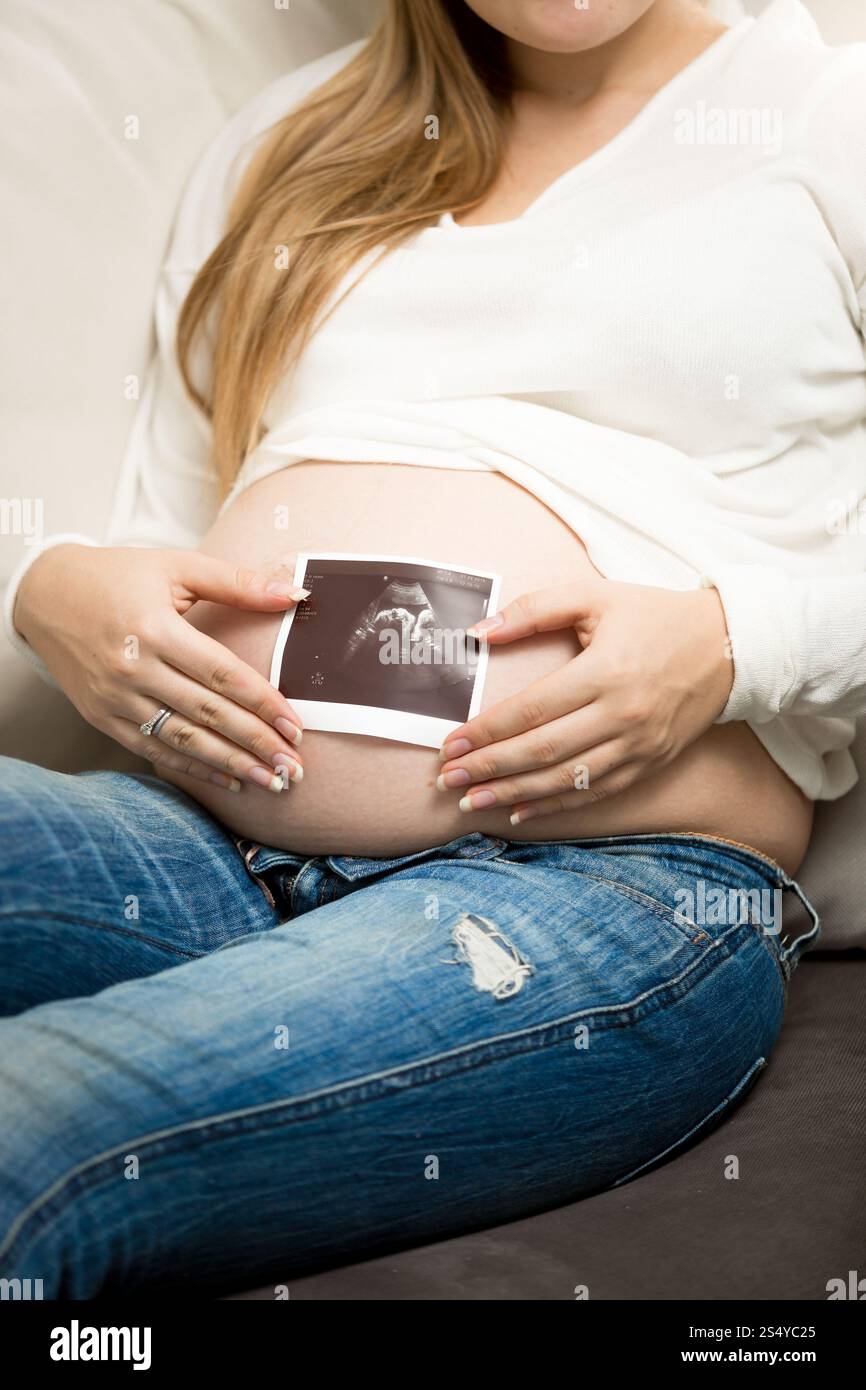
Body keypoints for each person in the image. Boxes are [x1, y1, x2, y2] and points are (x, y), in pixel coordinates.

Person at [0, 0, 862, 1295]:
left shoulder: (823, 112)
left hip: (598, 882)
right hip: (195, 846)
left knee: (35, 1121)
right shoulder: (283, 144)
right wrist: (47, 585)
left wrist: (733, 641)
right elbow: (162, 526)